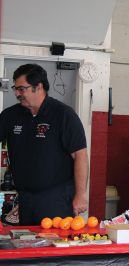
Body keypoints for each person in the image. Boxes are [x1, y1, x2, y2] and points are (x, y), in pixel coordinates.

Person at [0, 64, 88, 225]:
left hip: (57, 199)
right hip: (25, 199)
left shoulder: (64, 115)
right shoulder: (10, 115)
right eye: (15, 88)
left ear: (38, 87)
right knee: (26, 245)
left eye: (21, 89)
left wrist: (81, 195)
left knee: (54, 246)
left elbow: (80, 156)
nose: (16, 93)